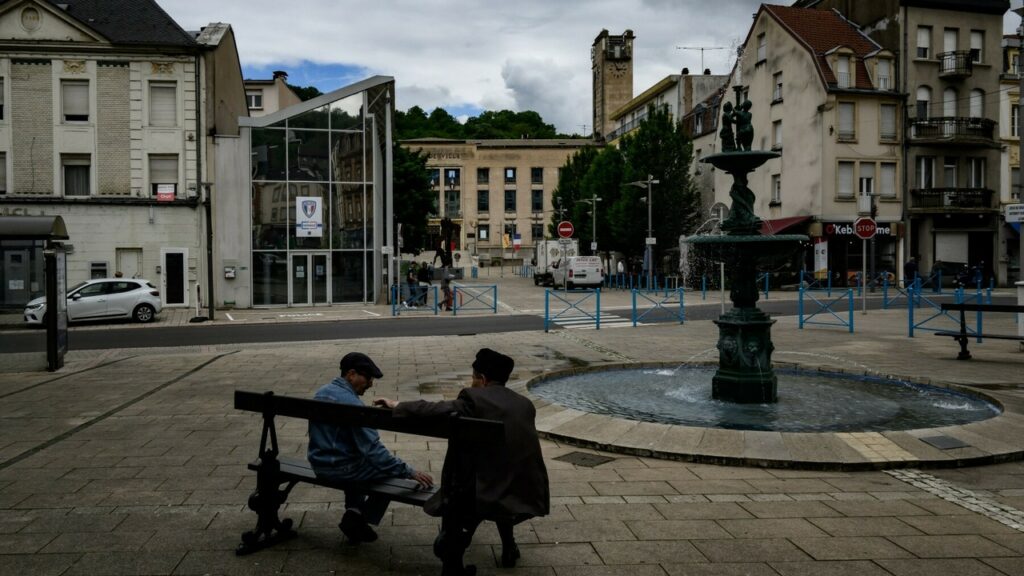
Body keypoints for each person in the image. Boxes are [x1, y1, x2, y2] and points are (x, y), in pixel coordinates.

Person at [375, 348, 549, 576]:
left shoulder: (473, 398)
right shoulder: (525, 404)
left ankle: (452, 558)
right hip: (522, 489)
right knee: (501, 481)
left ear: (482, 379)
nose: (471, 382)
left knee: (466, 490)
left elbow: (435, 409)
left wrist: (397, 405)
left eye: (474, 377)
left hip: (480, 490)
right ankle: (509, 547)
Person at [307, 352, 434, 544]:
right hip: (341, 469)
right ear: (351, 374)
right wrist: (408, 471)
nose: (370, 384)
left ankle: (353, 511)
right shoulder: (352, 404)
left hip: (318, 464)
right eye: (368, 378)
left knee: (361, 462)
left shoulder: (322, 392)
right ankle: (360, 518)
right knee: (388, 472)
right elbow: (374, 452)